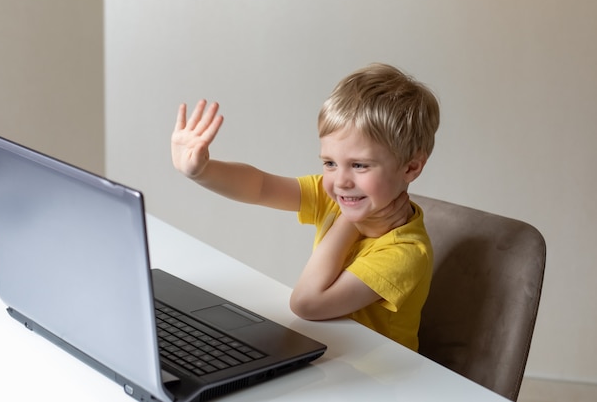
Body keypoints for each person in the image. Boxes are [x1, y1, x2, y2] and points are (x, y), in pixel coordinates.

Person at [171, 63, 440, 351]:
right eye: (330, 163)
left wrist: (348, 223)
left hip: (378, 377)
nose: (341, 182)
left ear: (411, 167)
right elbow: (261, 186)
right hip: (328, 351)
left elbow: (307, 303)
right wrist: (202, 171)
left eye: (359, 165)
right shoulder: (340, 197)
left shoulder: (406, 251)